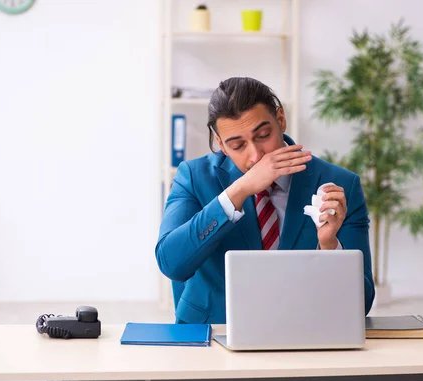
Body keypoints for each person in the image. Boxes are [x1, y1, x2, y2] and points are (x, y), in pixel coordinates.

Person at [156, 76, 375, 324]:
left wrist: (329, 246)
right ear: (221, 145)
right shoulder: (194, 177)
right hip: (214, 333)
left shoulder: (340, 184)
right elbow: (171, 263)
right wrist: (238, 192)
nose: (255, 155)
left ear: (280, 119)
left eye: (263, 135)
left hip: (304, 333)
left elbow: (362, 304)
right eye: (237, 145)